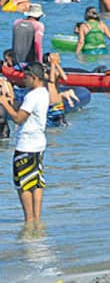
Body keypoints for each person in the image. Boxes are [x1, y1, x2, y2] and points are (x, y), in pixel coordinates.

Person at [0, 62, 48, 223]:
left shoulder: (32, 95)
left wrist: (4, 103)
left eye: (26, 77)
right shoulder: (43, 92)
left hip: (26, 144)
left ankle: (28, 219)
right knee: (36, 182)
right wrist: (11, 100)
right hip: (39, 143)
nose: (24, 81)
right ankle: (37, 218)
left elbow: (19, 119)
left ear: (34, 77)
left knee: (23, 184)